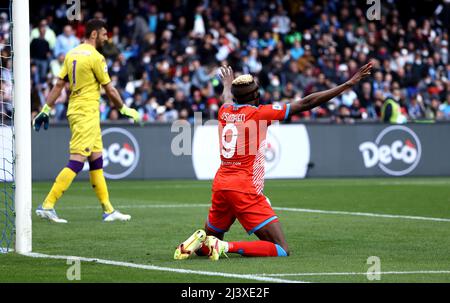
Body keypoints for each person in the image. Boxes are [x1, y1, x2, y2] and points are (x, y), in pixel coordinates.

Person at [174, 62, 373, 260]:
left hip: (221, 184)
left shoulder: (224, 112)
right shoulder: (259, 113)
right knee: (280, 248)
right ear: (255, 95)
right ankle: (226, 246)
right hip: (243, 187)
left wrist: (227, 84)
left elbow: (227, 98)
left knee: (208, 243)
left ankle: (200, 242)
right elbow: (306, 103)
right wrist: (348, 83)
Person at [33, 19, 140, 223]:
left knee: (96, 160)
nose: (106, 37)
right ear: (94, 34)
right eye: (104, 33)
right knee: (77, 160)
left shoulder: (71, 53)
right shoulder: (96, 57)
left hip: (78, 111)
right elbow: (110, 89)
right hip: (86, 113)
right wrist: (124, 109)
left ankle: (108, 210)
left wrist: (46, 108)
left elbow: (58, 85)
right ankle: (47, 204)